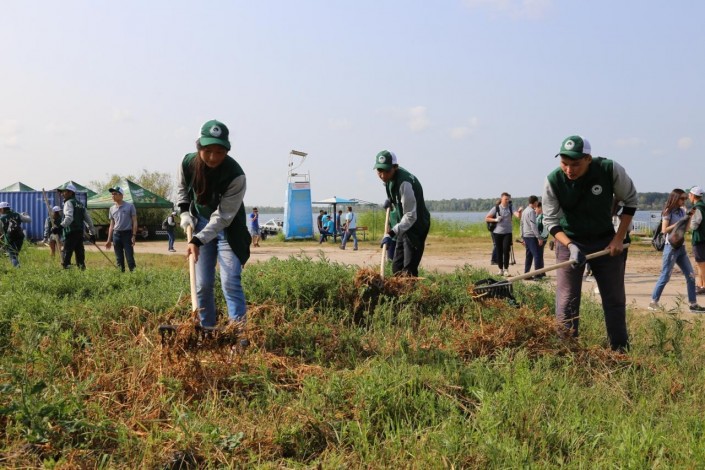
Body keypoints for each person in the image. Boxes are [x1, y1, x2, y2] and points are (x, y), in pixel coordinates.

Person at [542, 135, 638, 351]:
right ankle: (566, 350)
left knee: (614, 298)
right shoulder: (553, 180)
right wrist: (570, 246)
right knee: (567, 299)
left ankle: (619, 350)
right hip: (570, 240)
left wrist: (618, 238)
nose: (569, 170)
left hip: (605, 241)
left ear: (588, 159)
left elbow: (631, 200)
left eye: (575, 164)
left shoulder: (609, 169)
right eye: (564, 163)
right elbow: (550, 221)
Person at [177, 119, 251, 329]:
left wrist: (197, 240)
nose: (213, 157)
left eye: (220, 152)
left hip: (229, 228)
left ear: (227, 151)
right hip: (200, 223)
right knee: (202, 284)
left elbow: (223, 216)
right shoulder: (187, 163)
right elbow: (182, 189)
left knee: (230, 282)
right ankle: (208, 330)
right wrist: (184, 213)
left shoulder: (236, 175)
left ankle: (239, 333)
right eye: (207, 150)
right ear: (199, 146)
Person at [375, 150, 430, 277]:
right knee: (397, 267)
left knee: (408, 270)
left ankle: (410, 288)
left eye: (386, 171)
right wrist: (390, 201)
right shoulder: (389, 179)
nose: (382, 175)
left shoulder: (404, 183)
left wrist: (391, 233)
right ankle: (397, 289)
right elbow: (397, 200)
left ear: (395, 167)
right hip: (403, 225)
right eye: (379, 170)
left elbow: (411, 216)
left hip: (415, 227)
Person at [648, 188, 704, 312]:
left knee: (691, 275)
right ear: (675, 198)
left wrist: (688, 217)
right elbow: (664, 230)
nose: (684, 201)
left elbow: (687, 229)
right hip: (671, 247)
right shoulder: (668, 211)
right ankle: (653, 302)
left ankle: (693, 304)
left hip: (681, 247)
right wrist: (680, 222)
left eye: (685, 198)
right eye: (682, 198)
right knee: (665, 276)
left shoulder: (682, 211)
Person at [59, 183, 96, 270]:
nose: (62, 194)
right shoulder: (80, 204)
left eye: (64, 192)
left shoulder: (68, 203)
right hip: (79, 233)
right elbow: (88, 220)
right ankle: (81, 270)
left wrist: (60, 227)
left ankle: (67, 270)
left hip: (70, 232)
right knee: (80, 254)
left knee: (67, 254)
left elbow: (69, 218)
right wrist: (92, 233)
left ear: (71, 192)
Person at [104, 186, 138, 272]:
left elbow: (134, 221)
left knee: (129, 257)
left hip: (127, 235)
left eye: (115, 194)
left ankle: (134, 275)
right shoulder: (112, 209)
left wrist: (134, 235)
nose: (113, 196)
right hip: (116, 235)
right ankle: (120, 276)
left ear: (121, 195)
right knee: (119, 258)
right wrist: (109, 240)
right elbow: (111, 225)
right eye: (112, 194)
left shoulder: (130, 206)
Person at [485, 193, 516, 276]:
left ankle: (506, 269)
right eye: (506, 199)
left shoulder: (510, 207)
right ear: (501, 199)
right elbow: (487, 218)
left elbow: (517, 214)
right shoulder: (496, 208)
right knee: (499, 251)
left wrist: (519, 213)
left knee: (506, 250)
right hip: (497, 233)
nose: (507, 200)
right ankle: (500, 270)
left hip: (508, 233)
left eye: (508, 199)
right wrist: (495, 219)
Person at [520, 195, 545, 279]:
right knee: (537, 255)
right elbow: (533, 225)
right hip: (531, 236)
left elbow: (521, 224)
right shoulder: (531, 211)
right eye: (537, 202)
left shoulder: (524, 211)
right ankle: (537, 275)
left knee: (529, 255)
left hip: (526, 236)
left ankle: (526, 275)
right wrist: (539, 237)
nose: (537, 204)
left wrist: (522, 236)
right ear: (535, 202)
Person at [0, 202, 31, 268]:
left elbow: (1, 231)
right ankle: (16, 265)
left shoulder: (1, 219)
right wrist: (26, 215)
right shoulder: (17, 214)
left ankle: (18, 269)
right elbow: (29, 220)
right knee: (15, 254)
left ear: (2, 209)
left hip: (10, 239)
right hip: (20, 237)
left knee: (13, 256)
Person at [689, 186, 705, 295]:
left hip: (699, 238)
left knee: (700, 263)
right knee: (702, 263)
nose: (689, 197)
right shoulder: (703, 206)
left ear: (693, 196)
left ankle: (702, 285)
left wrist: (688, 219)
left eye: (689, 195)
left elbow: (694, 226)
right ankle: (701, 284)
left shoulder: (697, 208)